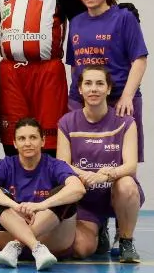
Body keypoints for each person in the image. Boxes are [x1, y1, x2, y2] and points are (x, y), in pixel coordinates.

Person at [57, 66, 142, 262]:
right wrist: (85, 175)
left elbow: (130, 166)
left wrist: (104, 175)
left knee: (128, 184)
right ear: (80, 89)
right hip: (86, 199)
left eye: (99, 83)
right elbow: (63, 164)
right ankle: (99, 227)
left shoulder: (125, 122)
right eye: (88, 83)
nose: (93, 89)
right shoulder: (66, 122)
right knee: (81, 249)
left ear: (109, 89)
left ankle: (126, 241)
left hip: (115, 193)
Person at [0, 117, 87, 270]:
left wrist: (40, 206)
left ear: (43, 141)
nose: (27, 143)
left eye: (33, 137)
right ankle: (36, 247)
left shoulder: (55, 165)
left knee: (65, 194)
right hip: (14, 239)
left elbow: (78, 188)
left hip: (49, 241)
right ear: (15, 143)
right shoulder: (5, 165)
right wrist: (15, 206)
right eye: (22, 139)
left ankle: (17, 245)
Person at [66, 0, 147, 161]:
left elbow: (140, 59)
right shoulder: (76, 22)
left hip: (119, 100)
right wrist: (81, 97)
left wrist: (127, 96)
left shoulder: (124, 17)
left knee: (122, 164)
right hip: (82, 102)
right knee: (82, 160)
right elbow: (74, 64)